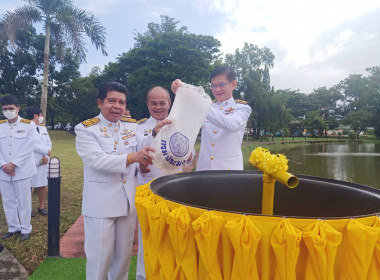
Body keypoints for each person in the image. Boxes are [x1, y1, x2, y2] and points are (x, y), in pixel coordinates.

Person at [75, 81, 155, 280]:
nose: (117, 106)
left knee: (123, 259)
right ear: (100, 102)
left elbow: (142, 145)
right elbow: (95, 160)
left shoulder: (129, 126)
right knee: (100, 259)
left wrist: (154, 132)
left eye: (121, 102)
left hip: (127, 203)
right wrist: (132, 158)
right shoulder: (86, 129)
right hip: (101, 205)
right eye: (112, 101)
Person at [135, 86, 194, 279]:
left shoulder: (180, 125)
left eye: (162, 102)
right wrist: (154, 133)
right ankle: (144, 276)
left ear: (170, 103)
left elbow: (188, 158)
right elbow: (136, 155)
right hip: (148, 191)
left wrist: (186, 153)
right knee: (148, 239)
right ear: (147, 104)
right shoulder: (140, 128)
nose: (158, 107)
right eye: (154, 103)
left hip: (174, 191)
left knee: (175, 240)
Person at [171, 66, 252, 170]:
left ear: (233, 84)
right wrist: (181, 89)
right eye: (213, 85)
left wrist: (199, 103)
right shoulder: (209, 106)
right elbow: (189, 130)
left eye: (221, 84)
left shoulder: (242, 108)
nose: (217, 89)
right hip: (205, 170)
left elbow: (231, 124)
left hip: (230, 172)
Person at [0, 95, 38, 241]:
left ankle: (25, 228)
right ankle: (13, 227)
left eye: (11, 108)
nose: (8, 111)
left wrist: (13, 164)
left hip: (21, 170)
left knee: (23, 200)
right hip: (3, 171)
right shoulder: (0, 125)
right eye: (5, 109)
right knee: (8, 200)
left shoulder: (29, 125)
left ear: (18, 109)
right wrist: (4, 164)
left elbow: (29, 147)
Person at [26, 107, 52, 216]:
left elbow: (48, 142)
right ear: (35, 116)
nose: (42, 117)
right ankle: (28, 208)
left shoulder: (42, 128)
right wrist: (45, 151)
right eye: (41, 115)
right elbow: (31, 144)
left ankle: (41, 207)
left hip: (43, 160)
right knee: (29, 186)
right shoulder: (26, 128)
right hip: (31, 160)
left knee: (42, 184)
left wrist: (46, 155)